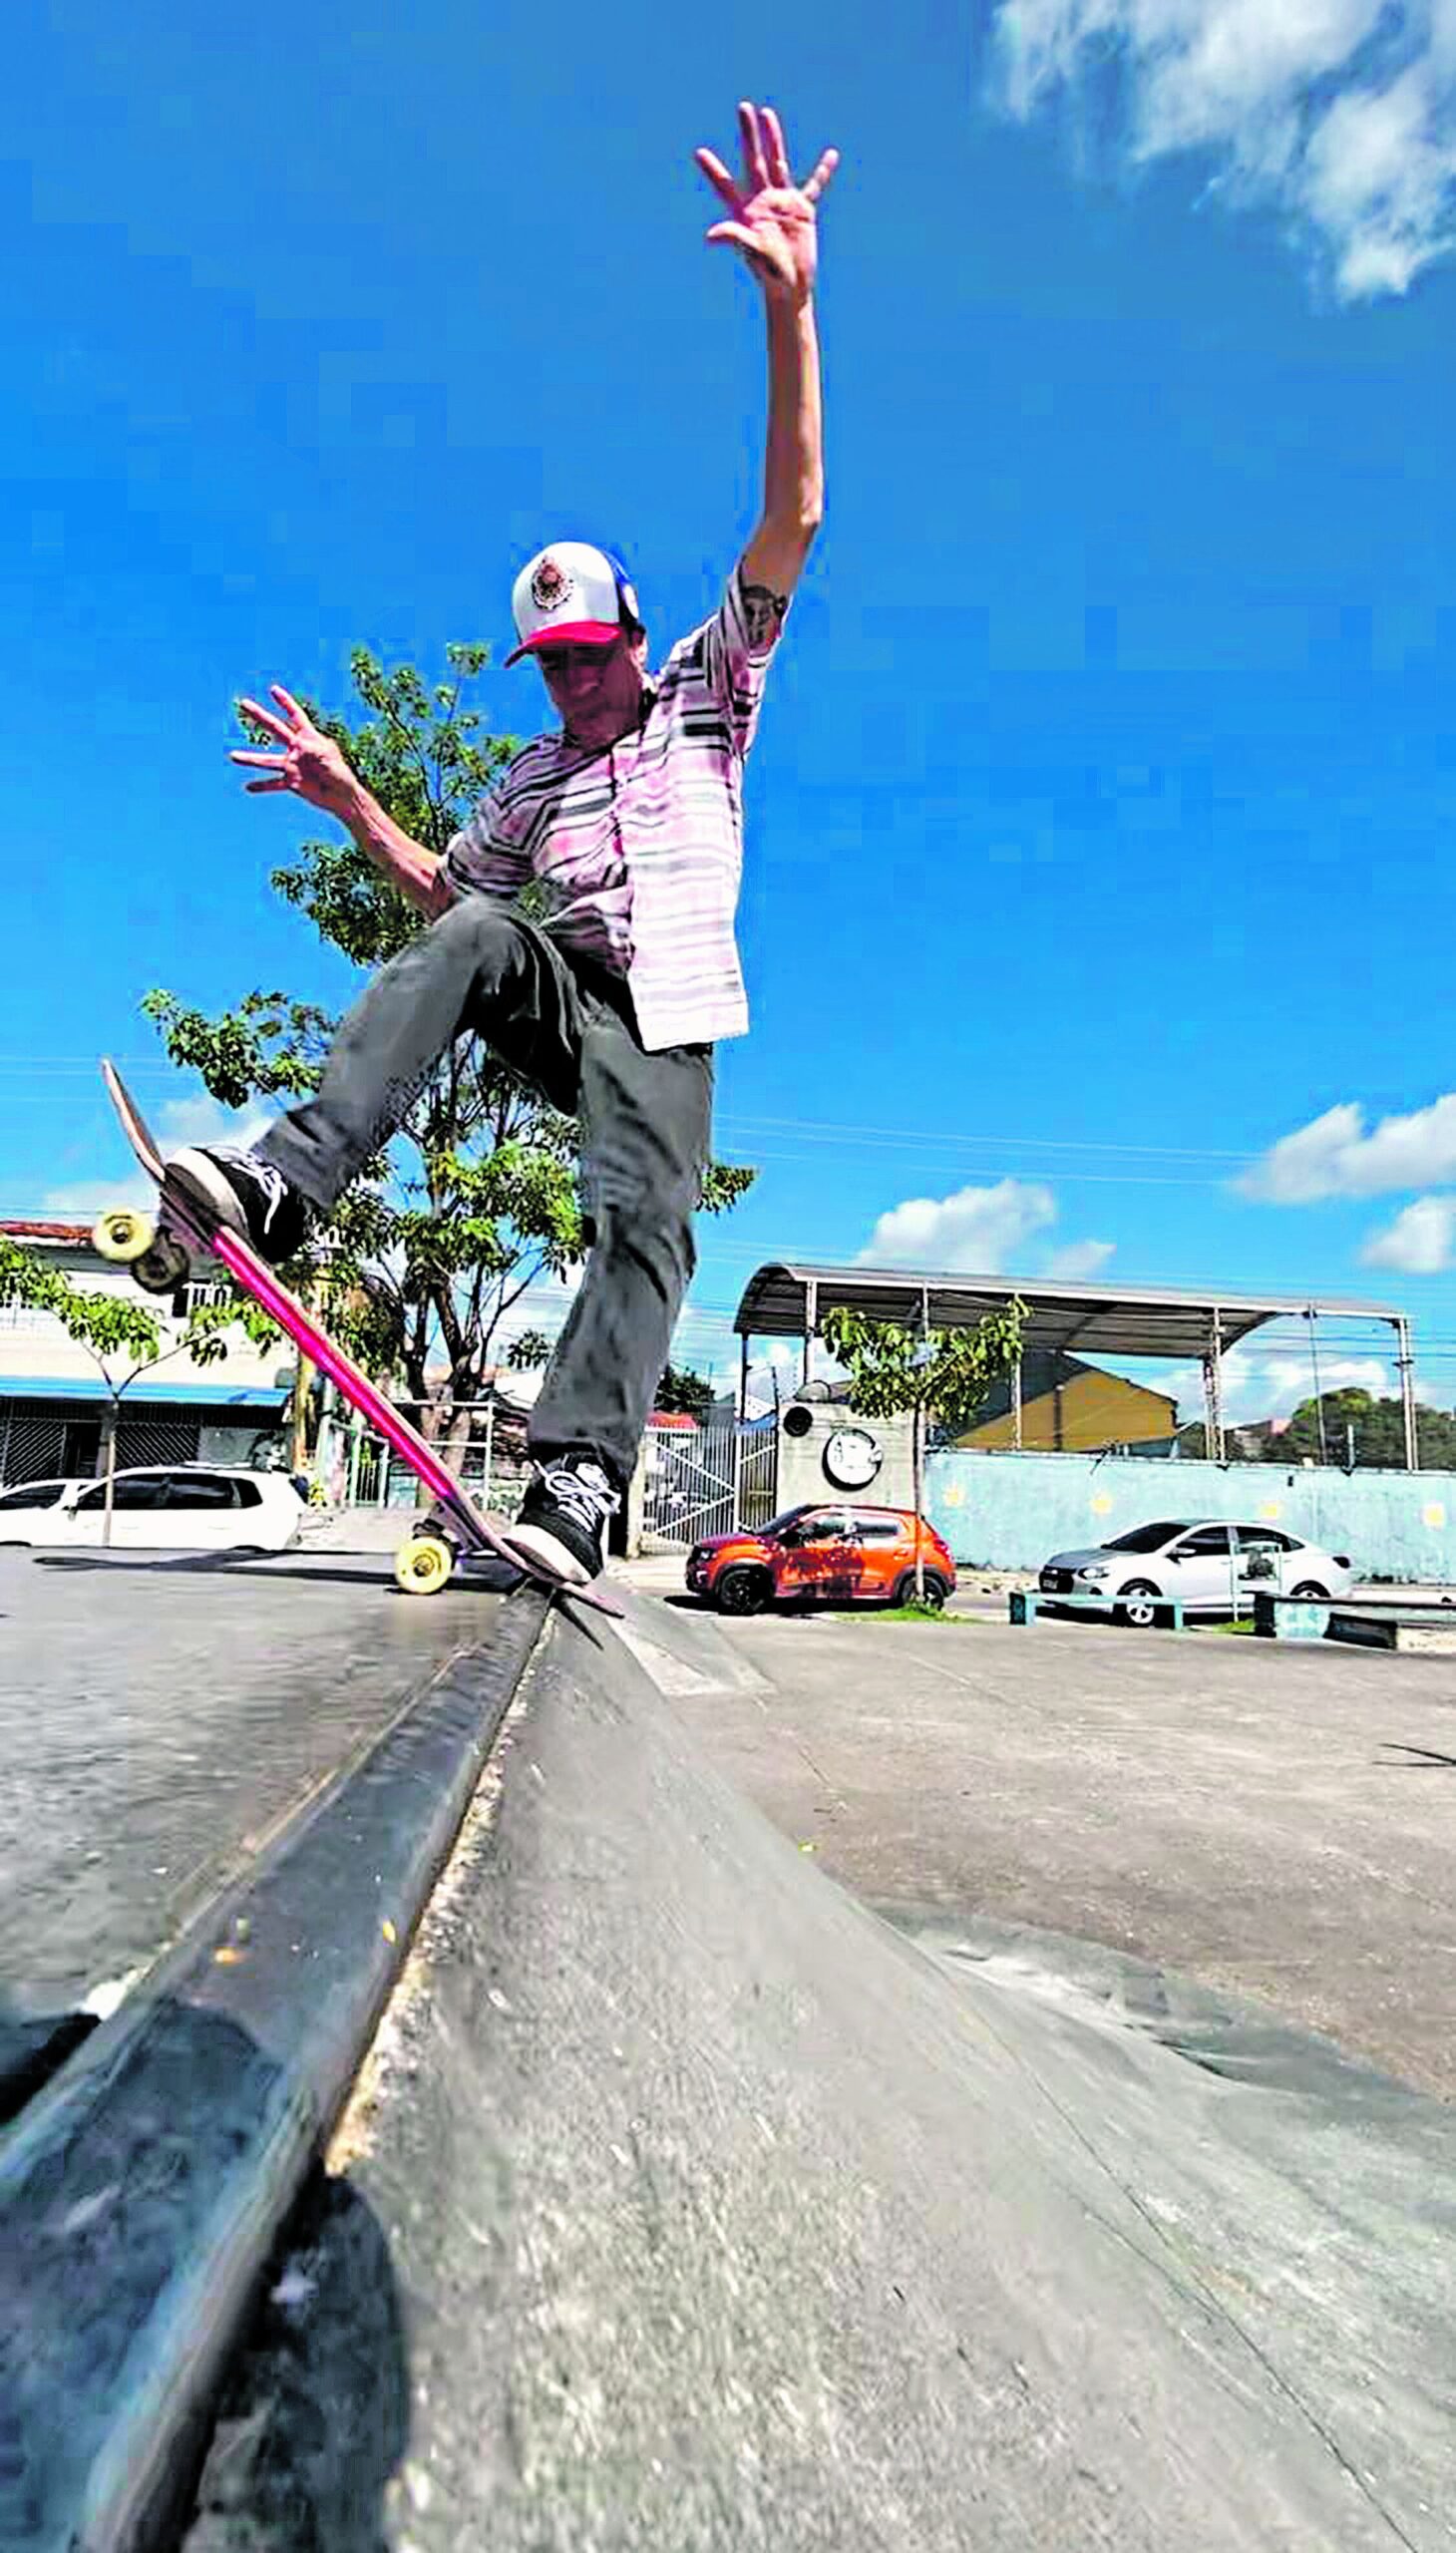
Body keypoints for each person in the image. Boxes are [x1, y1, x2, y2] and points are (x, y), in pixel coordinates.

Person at [167, 100, 838, 1587]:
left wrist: (791, 314)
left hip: (664, 1022)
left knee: (642, 1218)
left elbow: (791, 512)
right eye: (562, 665)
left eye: (599, 654)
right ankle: (289, 1182)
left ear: (636, 638)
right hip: (564, 1003)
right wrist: (351, 802)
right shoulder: (534, 776)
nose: (585, 682)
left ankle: (581, 1479)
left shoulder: (707, 700)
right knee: (475, 931)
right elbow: (442, 904)